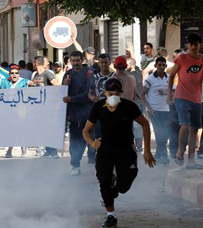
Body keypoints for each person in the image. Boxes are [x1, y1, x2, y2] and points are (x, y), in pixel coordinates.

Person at [83, 78, 155, 228]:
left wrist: (147, 150)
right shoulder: (98, 107)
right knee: (104, 181)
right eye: (110, 93)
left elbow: (144, 123)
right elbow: (86, 130)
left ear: (121, 93)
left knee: (124, 186)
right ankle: (111, 216)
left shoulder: (129, 107)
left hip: (126, 149)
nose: (113, 95)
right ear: (104, 93)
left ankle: (114, 189)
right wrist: (92, 143)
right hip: (105, 150)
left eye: (116, 93)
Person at [167, 33, 203, 170]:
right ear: (187, 45)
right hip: (181, 97)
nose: (193, 47)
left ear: (200, 45)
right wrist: (169, 94)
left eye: (196, 44)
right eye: (191, 44)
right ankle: (180, 151)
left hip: (197, 99)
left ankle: (191, 160)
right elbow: (172, 75)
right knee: (185, 125)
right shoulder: (182, 58)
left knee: (194, 129)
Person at [63, 51, 95, 175]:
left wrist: (73, 99)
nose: (75, 63)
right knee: (75, 141)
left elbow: (88, 94)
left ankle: (90, 158)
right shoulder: (68, 74)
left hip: (87, 114)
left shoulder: (89, 74)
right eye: (73, 60)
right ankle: (75, 164)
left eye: (77, 60)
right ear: (70, 61)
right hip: (73, 115)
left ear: (82, 60)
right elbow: (63, 93)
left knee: (87, 139)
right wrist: (65, 85)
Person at [140, 57, 171, 166]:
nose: (161, 67)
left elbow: (175, 90)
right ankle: (164, 155)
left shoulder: (169, 78)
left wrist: (166, 92)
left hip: (166, 110)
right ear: (155, 66)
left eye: (163, 65)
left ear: (166, 66)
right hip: (154, 111)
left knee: (165, 133)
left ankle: (158, 154)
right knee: (159, 133)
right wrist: (149, 108)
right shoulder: (150, 79)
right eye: (159, 65)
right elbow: (142, 94)